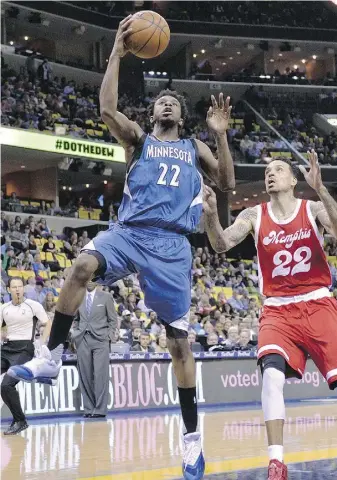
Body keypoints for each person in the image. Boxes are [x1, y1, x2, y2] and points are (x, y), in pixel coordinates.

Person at [8, 15, 235, 480]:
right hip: (130, 231)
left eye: (174, 101)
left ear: (182, 114)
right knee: (80, 265)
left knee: (179, 345)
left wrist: (222, 134)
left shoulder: (194, 147)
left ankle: (191, 439)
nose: (168, 105)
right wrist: (116, 49)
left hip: (172, 246)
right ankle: (51, 357)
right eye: (161, 102)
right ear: (153, 114)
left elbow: (228, 183)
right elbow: (107, 109)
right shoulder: (139, 140)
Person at [202, 151, 337, 480]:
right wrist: (209, 216)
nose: (270, 174)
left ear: (293, 180)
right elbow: (221, 244)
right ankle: (276, 463)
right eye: (267, 171)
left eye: (278, 169)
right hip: (278, 309)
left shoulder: (312, 208)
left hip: (319, 304)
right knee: (271, 376)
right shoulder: (253, 215)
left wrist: (320, 189)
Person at [1, 277, 50, 435]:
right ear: (8, 289)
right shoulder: (4, 308)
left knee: (6, 385)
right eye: (14, 287)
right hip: (7, 347)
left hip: (24, 349)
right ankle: (18, 420)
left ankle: (20, 420)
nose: (17, 290)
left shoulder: (33, 305)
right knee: (5, 386)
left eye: (20, 287)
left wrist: (42, 342)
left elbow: (47, 322)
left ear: (23, 288)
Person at [71, 282, 117, 418]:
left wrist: (109, 335)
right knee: (85, 375)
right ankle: (88, 409)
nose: (90, 281)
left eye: (93, 278)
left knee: (100, 375)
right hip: (82, 339)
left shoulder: (106, 297)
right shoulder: (78, 296)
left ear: (97, 281)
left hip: (101, 340)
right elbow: (76, 319)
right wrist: (75, 333)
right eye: (88, 278)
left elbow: (113, 320)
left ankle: (100, 410)